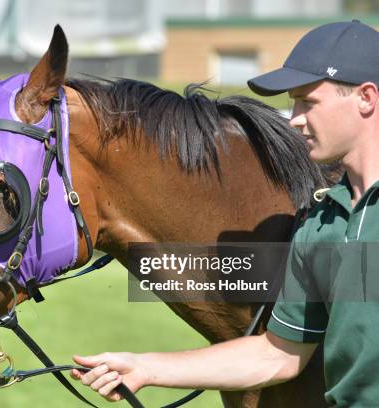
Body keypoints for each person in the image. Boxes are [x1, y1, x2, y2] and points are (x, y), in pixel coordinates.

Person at [71, 20, 379, 406]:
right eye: (294, 102)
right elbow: (278, 355)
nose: (295, 117)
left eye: (308, 102)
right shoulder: (320, 224)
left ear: (366, 98)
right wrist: (146, 368)